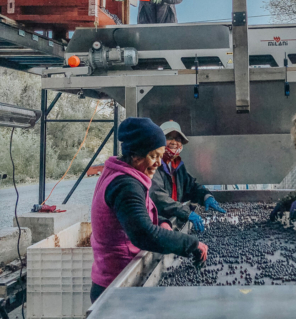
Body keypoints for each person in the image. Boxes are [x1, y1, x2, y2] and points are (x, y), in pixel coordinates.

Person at [90, 117, 207, 302]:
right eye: (153, 156)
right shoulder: (126, 185)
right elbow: (143, 234)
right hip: (117, 288)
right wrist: (191, 244)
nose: (158, 163)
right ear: (135, 155)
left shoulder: (119, 174)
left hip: (117, 278)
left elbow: (131, 216)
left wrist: (161, 222)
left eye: (160, 156)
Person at [150, 121, 227, 232]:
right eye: (169, 137)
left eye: (178, 139)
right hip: (157, 223)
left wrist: (206, 196)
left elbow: (190, 187)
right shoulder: (153, 165)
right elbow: (157, 196)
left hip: (172, 220)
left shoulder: (177, 166)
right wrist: (186, 212)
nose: (174, 142)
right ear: (159, 141)